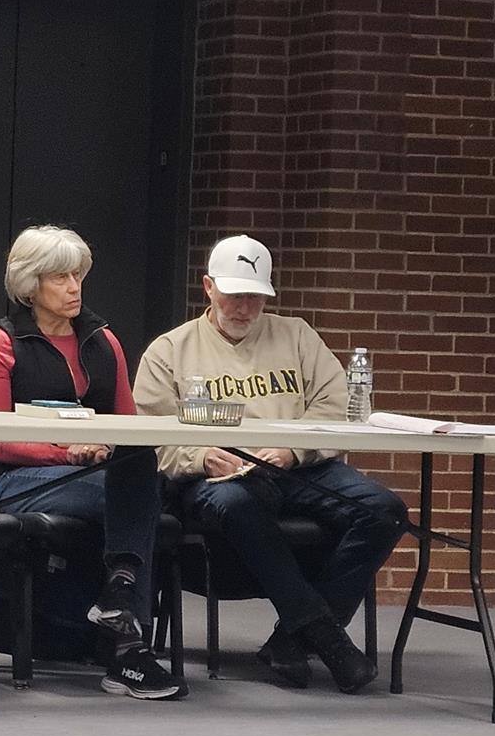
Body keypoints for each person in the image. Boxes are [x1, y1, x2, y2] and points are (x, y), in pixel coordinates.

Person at [133, 234, 406, 693]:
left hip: (295, 466)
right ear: (208, 287)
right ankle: (327, 639)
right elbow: (149, 437)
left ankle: (291, 638)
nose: (244, 307)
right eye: (235, 294)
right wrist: (199, 456)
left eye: (255, 297)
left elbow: (335, 404)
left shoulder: (297, 335)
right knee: (237, 504)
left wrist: (291, 448)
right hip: (215, 477)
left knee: (385, 510)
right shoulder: (170, 350)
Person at [0, 225, 186, 701]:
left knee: (137, 466)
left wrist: (106, 447)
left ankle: (119, 595)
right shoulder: (2, 344)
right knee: (140, 500)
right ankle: (130, 653)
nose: (74, 288)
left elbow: (129, 426)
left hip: (98, 472)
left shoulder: (103, 341)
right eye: (60, 278)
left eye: (78, 276)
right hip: (24, 478)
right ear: (31, 284)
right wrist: (67, 451)